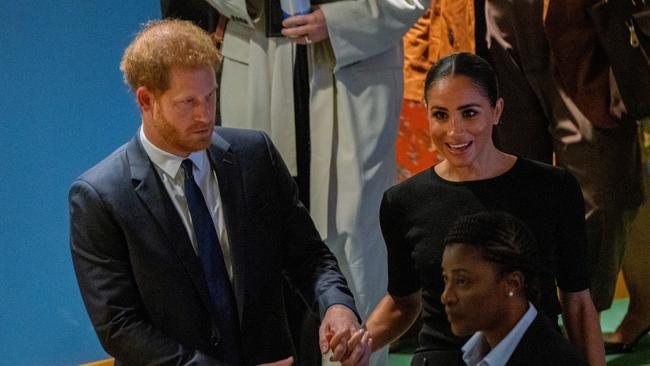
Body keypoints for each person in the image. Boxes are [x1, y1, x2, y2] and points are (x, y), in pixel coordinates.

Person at [69, 19, 369, 366]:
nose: (205, 114)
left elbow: (311, 258)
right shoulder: (100, 197)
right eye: (188, 102)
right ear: (146, 99)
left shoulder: (255, 155)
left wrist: (336, 305)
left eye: (211, 95)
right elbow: (120, 327)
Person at [173, 1, 426, 365]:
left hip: (351, 66)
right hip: (257, 59)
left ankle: (351, 356)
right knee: (256, 229)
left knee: (351, 232)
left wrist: (338, 21)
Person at [364, 52, 605, 365]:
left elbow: (578, 303)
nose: (455, 131)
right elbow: (402, 303)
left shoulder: (553, 188)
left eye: (469, 113)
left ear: (497, 111)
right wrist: (360, 340)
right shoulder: (402, 201)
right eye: (440, 115)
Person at [440, 211, 588, 366]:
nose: (446, 296)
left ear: (513, 284)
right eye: (446, 279)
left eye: (462, 281)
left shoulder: (556, 361)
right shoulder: (470, 356)